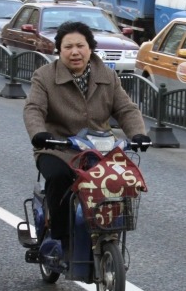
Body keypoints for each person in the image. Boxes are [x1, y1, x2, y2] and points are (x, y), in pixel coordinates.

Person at [23, 21, 151, 251]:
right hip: (57, 147)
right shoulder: (44, 76)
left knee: (120, 181)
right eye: (68, 47)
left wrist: (139, 134)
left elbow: (126, 109)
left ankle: (109, 230)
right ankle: (63, 239)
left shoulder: (108, 76)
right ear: (59, 50)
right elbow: (34, 108)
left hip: (99, 149)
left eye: (80, 46)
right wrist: (39, 133)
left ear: (90, 48)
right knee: (60, 177)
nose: (75, 52)